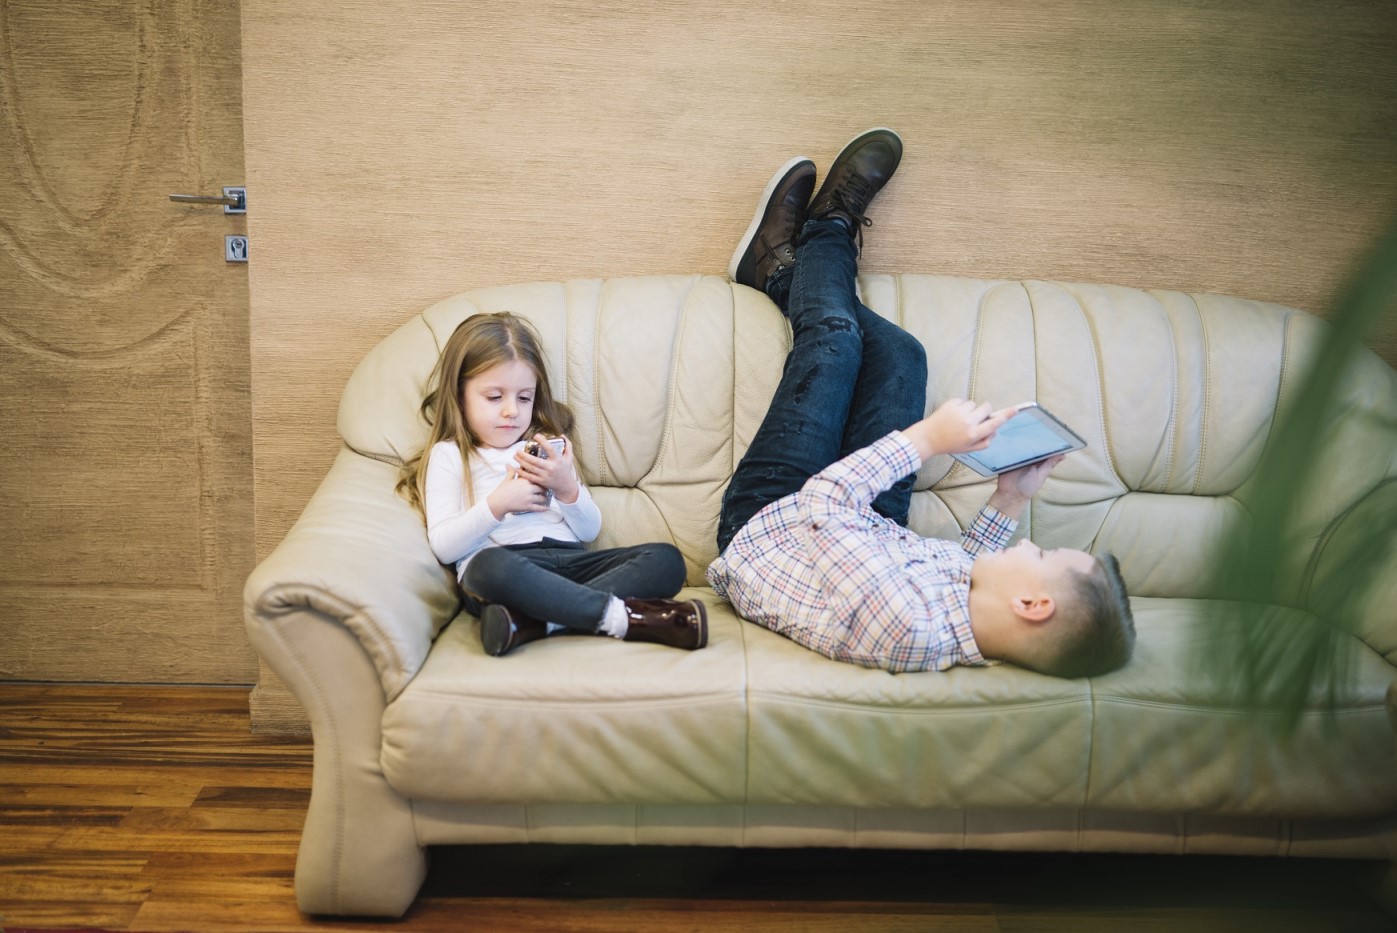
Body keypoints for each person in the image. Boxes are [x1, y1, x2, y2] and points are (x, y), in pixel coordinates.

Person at [709, 128, 1134, 678]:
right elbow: (964, 564)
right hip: (868, 528)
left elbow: (824, 506)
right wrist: (1010, 496)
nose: (1035, 548)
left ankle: (826, 229)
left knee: (835, 341)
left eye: (1045, 558)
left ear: (1033, 606)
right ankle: (784, 271)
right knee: (902, 355)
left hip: (774, 521)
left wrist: (929, 439)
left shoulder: (908, 629)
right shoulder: (968, 617)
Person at [399, 312, 707, 656]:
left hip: (571, 565)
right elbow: (444, 547)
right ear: (459, 396)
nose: (511, 411)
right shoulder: (451, 455)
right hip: (509, 570)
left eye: (524, 397)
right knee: (488, 568)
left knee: (666, 560)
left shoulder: (547, 448)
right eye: (494, 397)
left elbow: (589, 532)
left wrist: (567, 489)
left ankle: (533, 623)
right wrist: (498, 504)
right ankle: (619, 618)